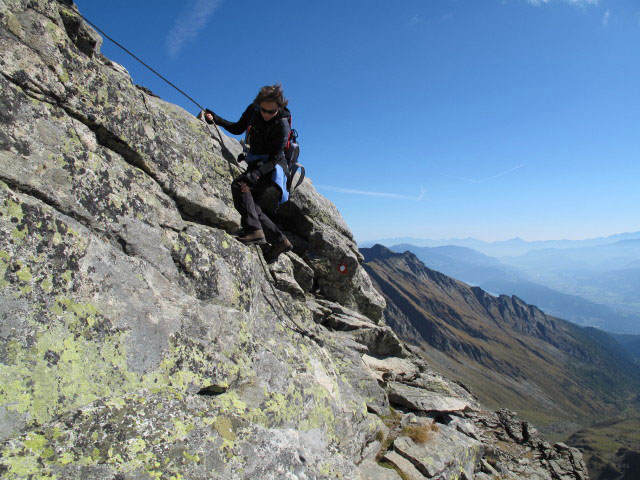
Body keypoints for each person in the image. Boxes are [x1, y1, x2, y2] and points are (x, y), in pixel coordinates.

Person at [204, 84, 293, 263]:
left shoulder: (282, 125)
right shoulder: (253, 110)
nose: (267, 114)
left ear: (279, 108)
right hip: (257, 163)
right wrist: (216, 119)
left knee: (240, 186)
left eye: (272, 111)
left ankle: (255, 231)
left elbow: (275, 158)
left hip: (272, 167)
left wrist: (255, 175)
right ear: (258, 104)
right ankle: (279, 241)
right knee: (252, 205)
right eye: (264, 110)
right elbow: (238, 128)